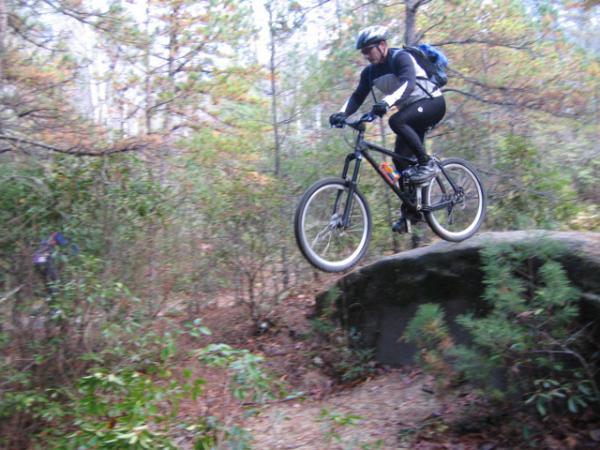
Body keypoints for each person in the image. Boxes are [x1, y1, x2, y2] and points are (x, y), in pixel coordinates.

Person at [329, 25, 446, 185]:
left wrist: (386, 102)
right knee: (400, 160)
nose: (366, 55)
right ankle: (414, 208)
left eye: (369, 50)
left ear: (382, 45)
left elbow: (408, 83)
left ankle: (427, 163)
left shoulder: (400, 57)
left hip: (432, 103)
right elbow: (357, 97)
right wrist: (342, 113)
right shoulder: (369, 73)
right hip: (411, 112)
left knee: (396, 121)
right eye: (363, 52)